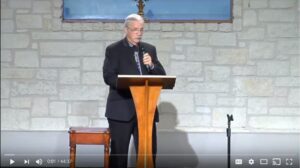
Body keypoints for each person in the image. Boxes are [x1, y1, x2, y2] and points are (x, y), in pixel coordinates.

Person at [102, 13, 166, 168]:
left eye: (141, 30)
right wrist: (129, 84)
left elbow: (162, 76)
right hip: (121, 110)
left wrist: (151, 65)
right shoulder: (113, 50)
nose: (139, 33)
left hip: (146, 111)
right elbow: (108, 77)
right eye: (135, 29)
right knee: (119, 156)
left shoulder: (149, 49)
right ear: (126, 30)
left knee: (148, 154)